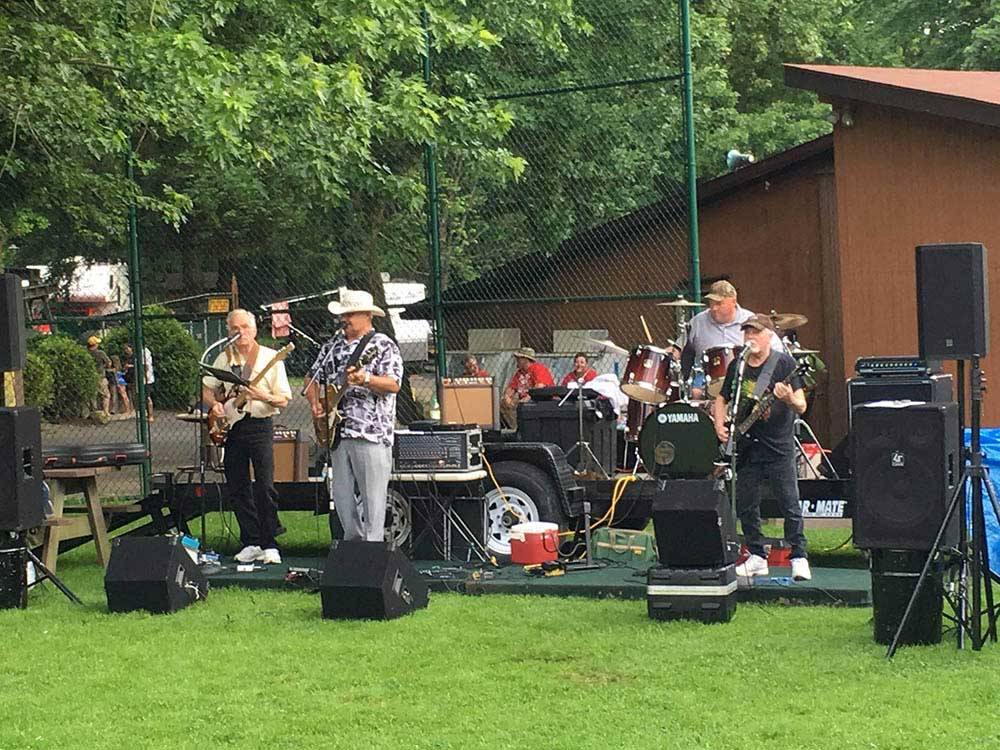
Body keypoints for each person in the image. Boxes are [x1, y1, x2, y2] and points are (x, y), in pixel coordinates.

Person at [713, 314, 810, 581]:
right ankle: (756, 555)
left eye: (755, 333)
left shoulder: (784, 364)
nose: (750, 338)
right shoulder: (739, 365)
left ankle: (799, 555)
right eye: (746, 333)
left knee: (788, 501)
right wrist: (720, 426)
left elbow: (801, 405)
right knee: (746, 502)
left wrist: (788, 397)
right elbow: (721, 399)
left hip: (778, 444)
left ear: (768, 336)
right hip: (747, 444)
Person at [305, 289, 403, 543]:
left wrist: (366, 379)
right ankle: (353, 543)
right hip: (338, 431)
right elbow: (311, 378)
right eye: (343, 314)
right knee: (342, 494)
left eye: (350, 314)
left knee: (372, 495)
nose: (344, 319)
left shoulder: (382, 345)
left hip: (370, 430)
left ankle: (372, 546)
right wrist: (316, 404)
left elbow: (393, 384)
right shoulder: (332, 346)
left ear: (368, 315)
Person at [202, 309, 292, 564]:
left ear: (254, 330)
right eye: (234, 328)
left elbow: (283, 399)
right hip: (234, 427)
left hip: (260, 425)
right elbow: (207, 389)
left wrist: (260, 396)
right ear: (228, 331)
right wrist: (214, 405)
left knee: (264, 486)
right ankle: (250, 540)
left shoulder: (271, 358)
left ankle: (270, 542)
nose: (239, 332)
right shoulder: (223, 357)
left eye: (244, 327)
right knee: (237, 486)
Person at [680, 280, 782, 398]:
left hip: (745, 375)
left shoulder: (751, 321)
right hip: (706, 378)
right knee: (694, 393)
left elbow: (776, 351)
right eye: (711, 303)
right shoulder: (697, 322)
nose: (713, 308)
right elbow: (677, 349)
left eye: (719, 303)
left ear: (733, 301)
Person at [500, 347, 554, 429]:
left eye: (519, 358)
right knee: (503, 404)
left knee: (522, 405)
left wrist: (527, 398)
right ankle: (516, 429)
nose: (516, 360)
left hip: (538, 401)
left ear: (525, 359)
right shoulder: (519, 372)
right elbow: (511, 388)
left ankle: (523, 430)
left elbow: (539, 387)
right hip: (523, 402)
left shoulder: (538, 369)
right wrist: (507, 396)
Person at [86, 336, 112, 414]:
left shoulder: (86, 353)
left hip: (90, 377)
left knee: (92, 396)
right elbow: (109, 363)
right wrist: (104, 366)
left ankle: (94, 411)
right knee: (106, 395)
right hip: (100, 376)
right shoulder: (100, 353)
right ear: (95, 344)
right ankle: (106, 412)